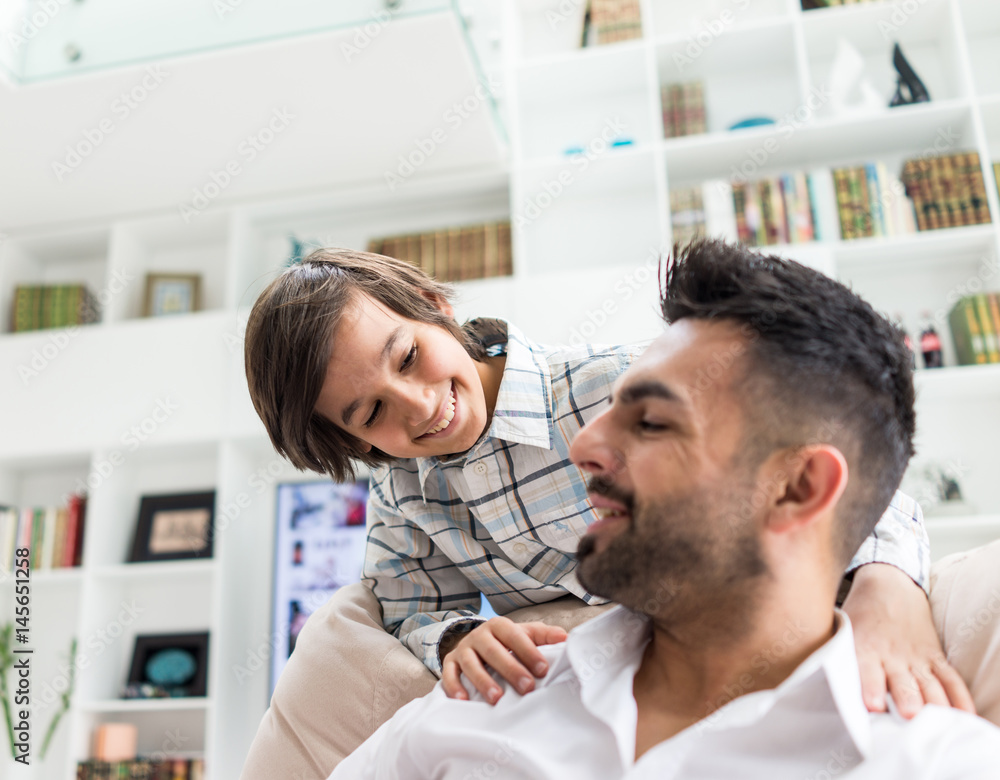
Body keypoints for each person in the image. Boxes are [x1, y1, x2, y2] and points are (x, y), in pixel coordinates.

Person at [240, 248, 966, 776]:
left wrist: (887, 593)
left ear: (436, 308)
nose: (419, 405)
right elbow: (410, 607)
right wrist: (460, 634)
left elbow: (848, 478)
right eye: (371, 413)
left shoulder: (615, 383)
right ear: (353, 441)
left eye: (407, 358)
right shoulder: (405, 496)